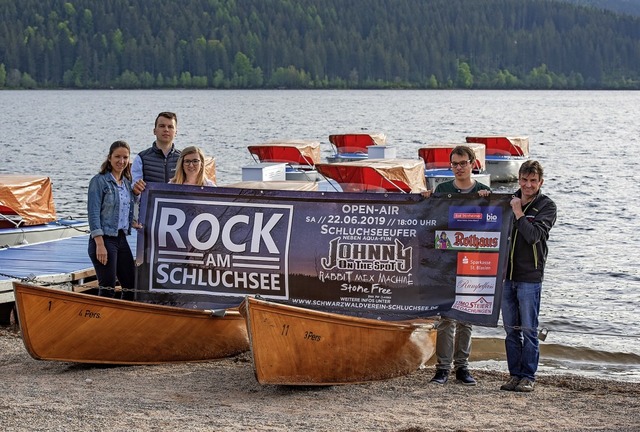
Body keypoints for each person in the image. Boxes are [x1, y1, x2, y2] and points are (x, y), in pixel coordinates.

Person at [424, 145, 491, 386]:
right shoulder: (442, 189)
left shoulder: (484, 191)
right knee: (445, 317)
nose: (459, 168)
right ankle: (442, 368)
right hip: (446, 261)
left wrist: (489, 201)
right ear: (450, 166)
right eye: (455, 164)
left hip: (473, 259)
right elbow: (429, 219)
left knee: (466, 315)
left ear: (473, 164)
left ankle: (462, 367)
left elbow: (492, 225)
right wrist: (424, 200)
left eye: (463, 163)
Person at [500, 160, 557, 393]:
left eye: (533, 180)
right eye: (524, 180)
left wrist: (518, 212)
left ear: (540, 182)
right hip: (506, 277)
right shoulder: (509, 200)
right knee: (511, 330)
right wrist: (483, 194)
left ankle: (528, 376)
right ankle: (514, 375)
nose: (528, 185)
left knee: (529, 330)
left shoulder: (547, 206)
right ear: (519, 180)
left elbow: (533, 236)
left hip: (530, 278)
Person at [87, 140, 137, 300]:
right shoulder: (99, 181)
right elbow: (93, 213)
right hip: (104, 240)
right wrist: (100, 245)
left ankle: (122, 321)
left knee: (131, 287)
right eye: (117, 157)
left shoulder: (127, 184)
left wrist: (135, 222)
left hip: (121, 239)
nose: (121, 161)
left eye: (125, 157)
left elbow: (129, 209)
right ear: (109, 158)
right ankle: (100, 322)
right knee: (107, 288)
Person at [132, 111, 181, 194]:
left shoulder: (183, 158)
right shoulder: (141, 158)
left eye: (170, 127)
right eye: (162, 126)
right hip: (150, 206)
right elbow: (135, 189)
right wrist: (136, 190)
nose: (166, 130)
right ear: (154, 131)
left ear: (176, 132)